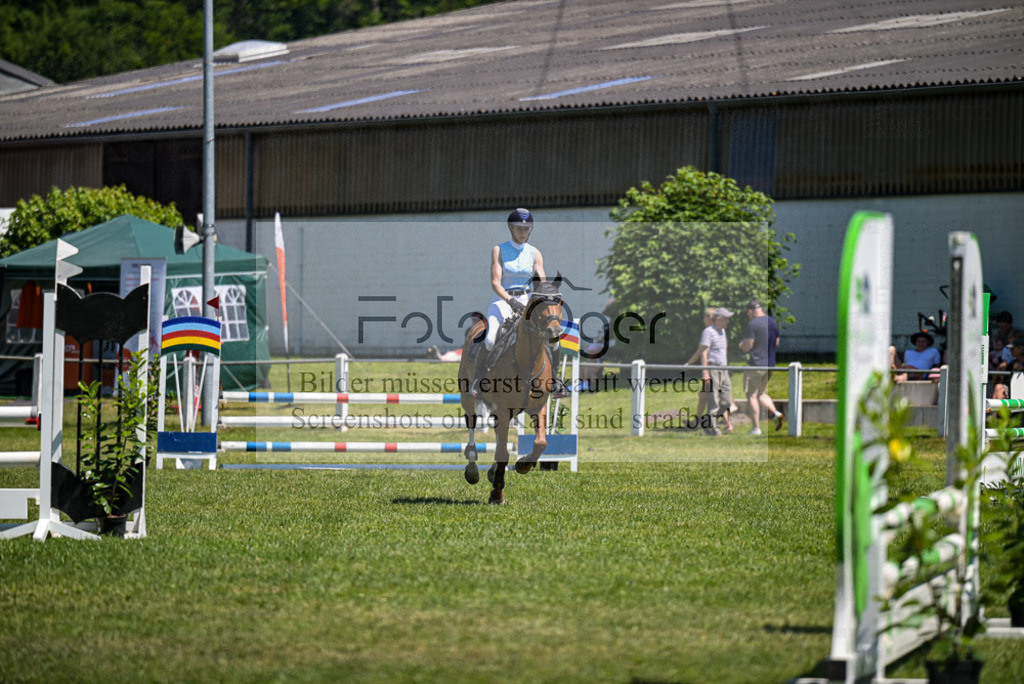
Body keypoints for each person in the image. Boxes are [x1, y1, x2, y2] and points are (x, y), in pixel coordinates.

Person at [468, 208, 568, 398]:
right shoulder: (499, 250)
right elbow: (495, 283)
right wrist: (510, 301)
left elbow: (541, 282)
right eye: (519, 229)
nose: (523, 233)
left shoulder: (535, 253)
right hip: (503, 299)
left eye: (526, 229)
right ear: (511, 228)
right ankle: (478, 379)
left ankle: (555, 380)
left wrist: (546, 297)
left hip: (529, 300)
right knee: (490, 339)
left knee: (553, 338)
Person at [738, 300, 784, 434]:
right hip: (770, 365)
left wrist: (741, 345)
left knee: (751, 396)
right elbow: (777, 342)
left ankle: (756, 428)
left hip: (756, 365)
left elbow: (748, 346)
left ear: (751, 311)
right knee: (761, 393)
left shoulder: (753, 324)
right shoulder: (772, 322)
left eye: (748, 314)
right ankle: (776, 413)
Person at [696, 308, 734, 436]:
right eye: (726, 318)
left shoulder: (722, 331)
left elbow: (724, 351)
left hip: (724, 369)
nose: (728, 321)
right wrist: (705, 372)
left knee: (726, 401)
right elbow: (704, 353)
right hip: (713, 369)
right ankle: (714, 428)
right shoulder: (708, 332)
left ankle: (707, 421)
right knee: (713, 401)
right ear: (718, 319)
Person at [684, 307, 717, 427]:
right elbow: (700, 350)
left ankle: (727, 424)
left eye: (705, 316)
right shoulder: (718, 331)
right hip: (717, 368)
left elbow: (702, 352)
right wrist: (689, 363)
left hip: (711, 369)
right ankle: (696, 421)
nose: (703, 318)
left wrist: (704, 372)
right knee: (703, 395)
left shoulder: (708, 331)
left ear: (710, 318)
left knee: (720, 398)